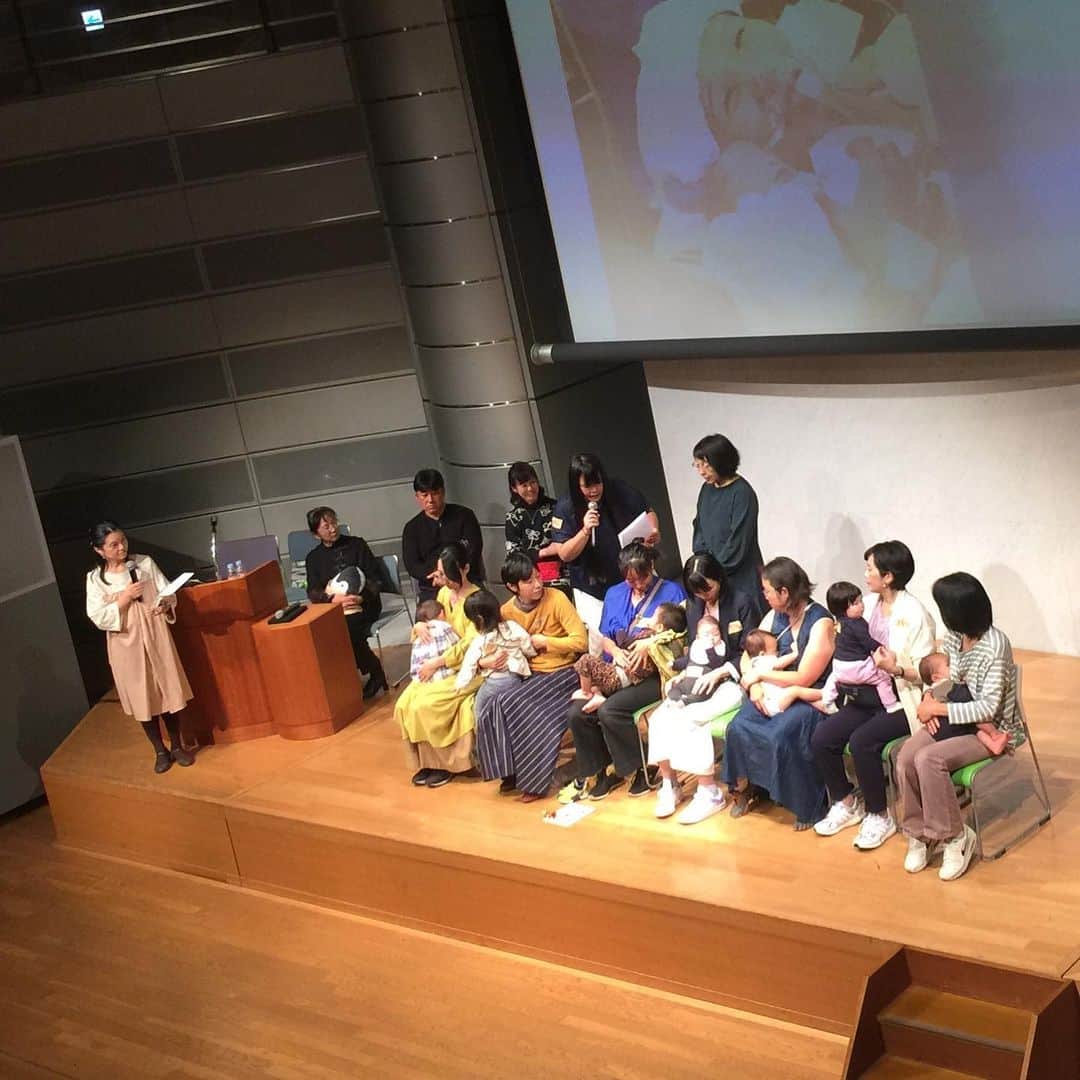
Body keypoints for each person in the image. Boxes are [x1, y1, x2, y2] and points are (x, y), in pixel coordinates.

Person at [811, 541, 936, 851]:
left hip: (902, 699)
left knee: (862, 741)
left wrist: (896, 669)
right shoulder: (864, 604)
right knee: (823, 737)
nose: (866, 575)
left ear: (888, 576)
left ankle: (879, 815)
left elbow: (927, 672)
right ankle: (846, 801)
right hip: (865, 696)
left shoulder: (915, 613)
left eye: (870, 569)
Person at [897, 572, 1023, 881]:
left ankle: (955, 836)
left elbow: (988, 707)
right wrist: (930, 697)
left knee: (929, 759)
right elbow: (950, 679)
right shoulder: (955, 636)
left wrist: (938, 708)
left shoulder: (995, 646)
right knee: (906, 756)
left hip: (992, 726)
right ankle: (919, 832)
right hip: (956, 712)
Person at [566, 542, 686, 801]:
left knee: (610, 710)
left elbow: (680, 636)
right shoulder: (614, 594)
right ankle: (600, 770)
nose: (638, 585)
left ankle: (640, 767)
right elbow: (604, 636)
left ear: (651, 567)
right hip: (616, 667)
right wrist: (615, 651)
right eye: (631, 580)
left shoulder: (672, 591)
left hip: (652, 674)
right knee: (577, 712)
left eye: (642, 578)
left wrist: (649, 644)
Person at [722, 557, 836, 830]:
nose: (764, 596)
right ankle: (753, 787)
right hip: (771, 691)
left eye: (767, 591)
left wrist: (761, 676)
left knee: (780, 735)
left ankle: (808, 805)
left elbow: (805, 676)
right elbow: (749, 654)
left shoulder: (820, 622)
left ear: (784, 592)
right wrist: (755, 686)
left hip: (808, 696)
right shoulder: (774, 615)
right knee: (737, 727)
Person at [649, 553, 755, 822]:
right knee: (661, 715)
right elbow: (694, 650)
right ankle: (670, 785)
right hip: (697, 679)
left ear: (719, 577)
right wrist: (684, 673)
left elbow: (752, 651)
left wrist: (721, 671)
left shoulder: (741, 602)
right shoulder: (694, 606)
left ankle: (709, 792)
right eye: (697, 591)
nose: (704, 595)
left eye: (707, 588)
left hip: (733, 680)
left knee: (692, 717)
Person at [474, 552, 588, 802]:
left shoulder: (556, 598)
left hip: (563, 671)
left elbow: (581, 641)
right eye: (528, 581)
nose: (537, 584)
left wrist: (546, 642)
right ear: (512, 587)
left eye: (538, 577)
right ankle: (510, 772)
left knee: (529, 710)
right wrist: (487, 661)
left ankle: (534, 782)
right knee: (495, 705)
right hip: (530, 673)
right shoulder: (506, 611)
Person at [85, 521, 194, 774]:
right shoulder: (95, 579)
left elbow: (167, 591)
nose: (121, 547)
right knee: (142, 695)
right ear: (100, 550)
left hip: (155, 633)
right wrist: (124, 598)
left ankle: (177, 745)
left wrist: (165, 603)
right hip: (126, 641)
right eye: (113, 545)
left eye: (123, 541)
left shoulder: (143, 563)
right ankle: (159, 750)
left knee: (166, 689)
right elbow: (97, 616)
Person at [395, 541, 482, 788]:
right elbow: (431, 618)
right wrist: (420, 625)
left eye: (447, 574)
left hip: (468, 667)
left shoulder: (476, 599)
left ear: (465, 569)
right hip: (440, 665)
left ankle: (446, 764)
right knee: (405, 703)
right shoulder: (444, 593)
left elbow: (472, 643)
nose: (443, 580)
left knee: (428, 703)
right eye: (441, 573)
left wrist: (439, 662)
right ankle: (427, 762)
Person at [549, 453, 660, 600]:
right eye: (587, 486)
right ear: (576, 485)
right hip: (592, 587)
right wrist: (585, 531)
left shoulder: (618, 489)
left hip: (633, 574)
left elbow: (648, 512)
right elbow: (564, 554)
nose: (594, 490)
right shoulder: (565, 507)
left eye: (598, 483)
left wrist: (653, 530)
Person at [304, 506, 388, 699]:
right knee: (321, 630)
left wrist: (360, 597)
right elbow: (313, 590)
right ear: (315, 534)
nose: (333, 528)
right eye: (326, 526)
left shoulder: (357, 545)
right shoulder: (313, 558)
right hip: (334, 606)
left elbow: (375, 579)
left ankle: (374, 671)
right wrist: (333, 599)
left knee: (346, 628)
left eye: (334, 522)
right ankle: (344, 678)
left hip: (365, 603)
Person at [690, 434, 763, 619]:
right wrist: (703, 564)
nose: (701, 471)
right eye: (697, 465)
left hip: (740, 575)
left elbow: (739, 540)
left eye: (706, 465)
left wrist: (715, 572)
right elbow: (699, 527)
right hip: (712, 575)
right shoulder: (706, 489)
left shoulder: (742, 493)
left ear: (721, 461)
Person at [572, 602, 686, 713]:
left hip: (619, 676)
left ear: (660, 627)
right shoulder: (652, 640)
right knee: (594, 678)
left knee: (585, 660)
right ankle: (598, 695)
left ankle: (586, 693)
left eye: (653, 617)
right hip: (622, 677)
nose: (649, 619)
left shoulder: (652, 644)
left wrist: (622, 635)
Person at [401, 469, 485, 603]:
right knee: (428, 614)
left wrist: (452, 575)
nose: (430, 500)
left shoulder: (465, 516)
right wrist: (438, 575)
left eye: (435, 493)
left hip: (466, 580)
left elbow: (474, 550)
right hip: (432, 587)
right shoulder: (412, 528)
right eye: (424, 495)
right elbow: (412, 565)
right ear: (417, 497)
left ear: (443, 492)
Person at [818, 581, 900, 713]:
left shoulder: (838, 623)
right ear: (842, 609)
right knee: (882, 677)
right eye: (855, 604)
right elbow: (868, 642)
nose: (862, 605)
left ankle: (827, 700)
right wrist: (882, 648)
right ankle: (891, 705)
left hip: (839, 666)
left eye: (861, 601)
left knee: (833, 678)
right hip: (857, 667)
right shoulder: (857, 624)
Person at [455, 590, 536, 714]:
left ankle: (482, 724)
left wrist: (460, 684)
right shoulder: (511, 626)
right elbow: (526, 642)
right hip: (517, 675)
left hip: (496, 681)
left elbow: (469, 664)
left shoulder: (480, 641)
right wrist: (531, 654)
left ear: (479, 620)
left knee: (479, 708)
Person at [919, 652, 1009, 755]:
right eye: (949, 665)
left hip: (938, 731)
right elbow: (965, 698)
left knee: (974, 729)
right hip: (950, 727)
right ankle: (995, 734)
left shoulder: (932, 690)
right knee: (976, 717)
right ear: (936, 677)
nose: (954, 666)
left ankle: (994, 745)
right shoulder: (946, 685)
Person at [504, 462, 561, 581]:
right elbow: (514, 555)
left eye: (533, 482)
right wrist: (544, 552)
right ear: (514, 488)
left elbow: (563, 542)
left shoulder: (556, 507)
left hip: (560, 571)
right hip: (529, 576)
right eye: (524, 485)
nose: (530, 488)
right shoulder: (513, 517)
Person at [741, 629, 800, 716]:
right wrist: (795, 654)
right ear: (762, 654)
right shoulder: (763, 661)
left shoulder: (752, 663)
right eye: (775, 651)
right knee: (797, 691)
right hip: (775, 702)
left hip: (766, 704)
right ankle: (819, 694)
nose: (777, 653)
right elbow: (779, 663)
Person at [408, 599, 458, 684]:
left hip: (421, 679)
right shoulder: (444, 626)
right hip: (445, 675)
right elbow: (457, 646)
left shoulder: (417, 635)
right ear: (442, 613)